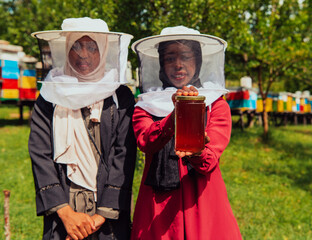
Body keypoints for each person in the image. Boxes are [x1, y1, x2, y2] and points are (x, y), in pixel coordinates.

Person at [28, 17, 137, 240]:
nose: (83, 54)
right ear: (66, 49)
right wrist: (66, 214)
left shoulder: (120, 96)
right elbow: (40, 155)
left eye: (92, 46)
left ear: (105, 51)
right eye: (76, 45)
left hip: (108, 218)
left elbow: (124, 154)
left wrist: (100, 216)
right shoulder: (50, 95)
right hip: (63, 214)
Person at [130, 26, 242, 239]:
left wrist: (197, 150)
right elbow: (146, 141)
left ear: (197, 62)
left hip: (202, 201)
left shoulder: (215, 105)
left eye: (186, 57)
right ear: (161, 64)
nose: (178, 64)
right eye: (170, 58)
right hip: (158, 207)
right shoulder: (145, 106)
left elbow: (209, 161)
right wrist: (174, 117)